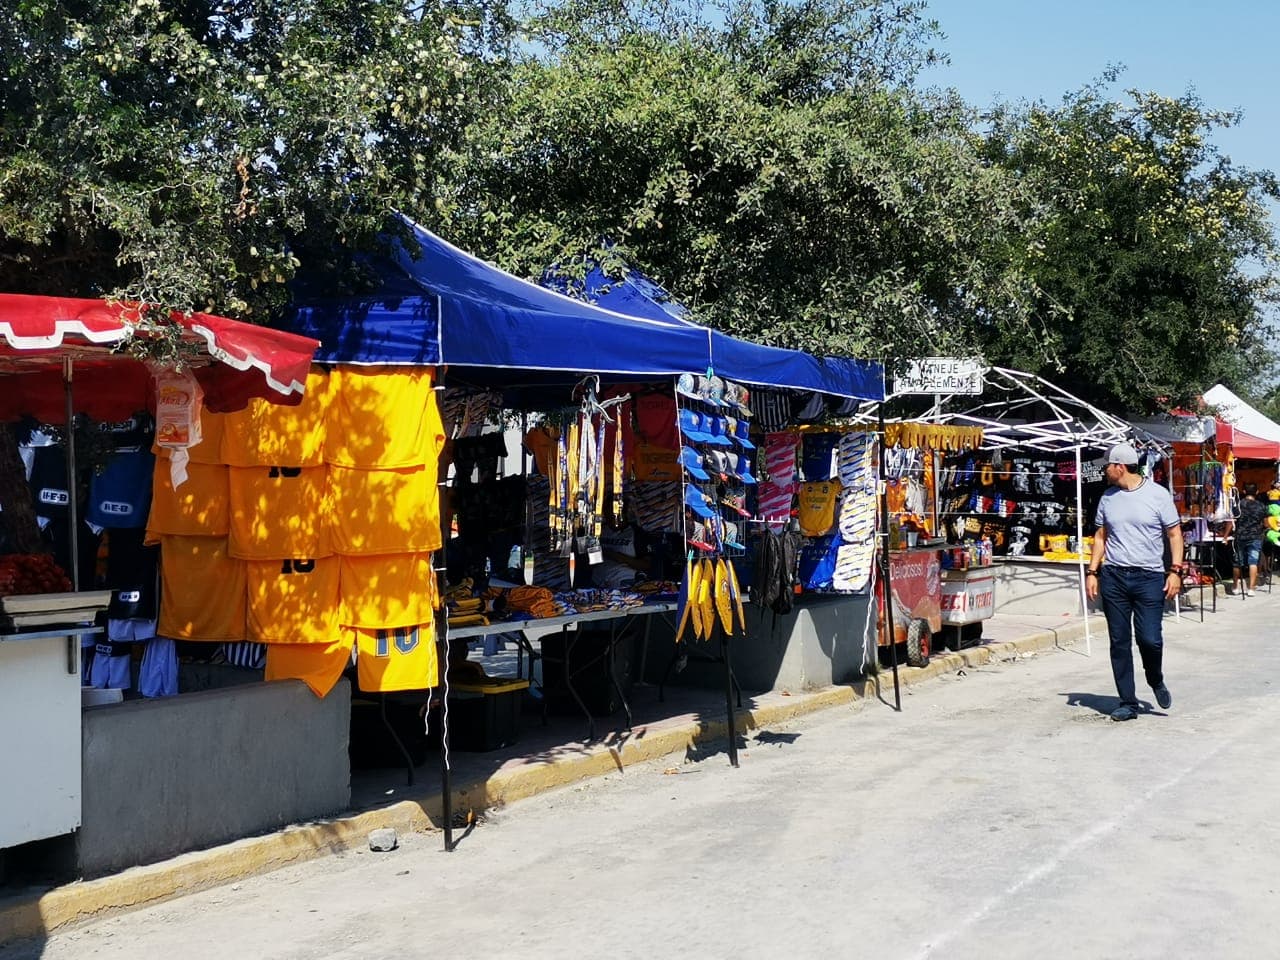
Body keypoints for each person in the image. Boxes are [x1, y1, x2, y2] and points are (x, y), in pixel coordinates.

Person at [1085, 442, 1183, 722]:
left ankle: (1155, 679)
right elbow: (1101, 537)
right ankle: (1127, 701)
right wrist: (1093, 572)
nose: (1104, 470)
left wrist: (1175, 571)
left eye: (1107, 466)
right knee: (1119, 641)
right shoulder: (1108, 497)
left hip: (1149, 577)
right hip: (1114, 576)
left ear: (1120, 466)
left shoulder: (1157, 495)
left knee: (1150, 639)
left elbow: (1175, 535)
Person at [1232, 482, 1267, 596]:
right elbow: (1266, 523)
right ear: (1257, 492)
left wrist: (1227, 534)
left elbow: (1232, 520)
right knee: (1253, 562)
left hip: (1240, 536)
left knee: (1238, 562)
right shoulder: (1261, 506)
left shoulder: (1239, 504)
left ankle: (1235, 586)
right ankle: (1251, 589)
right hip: (1255, 536)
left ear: (1244, 492)